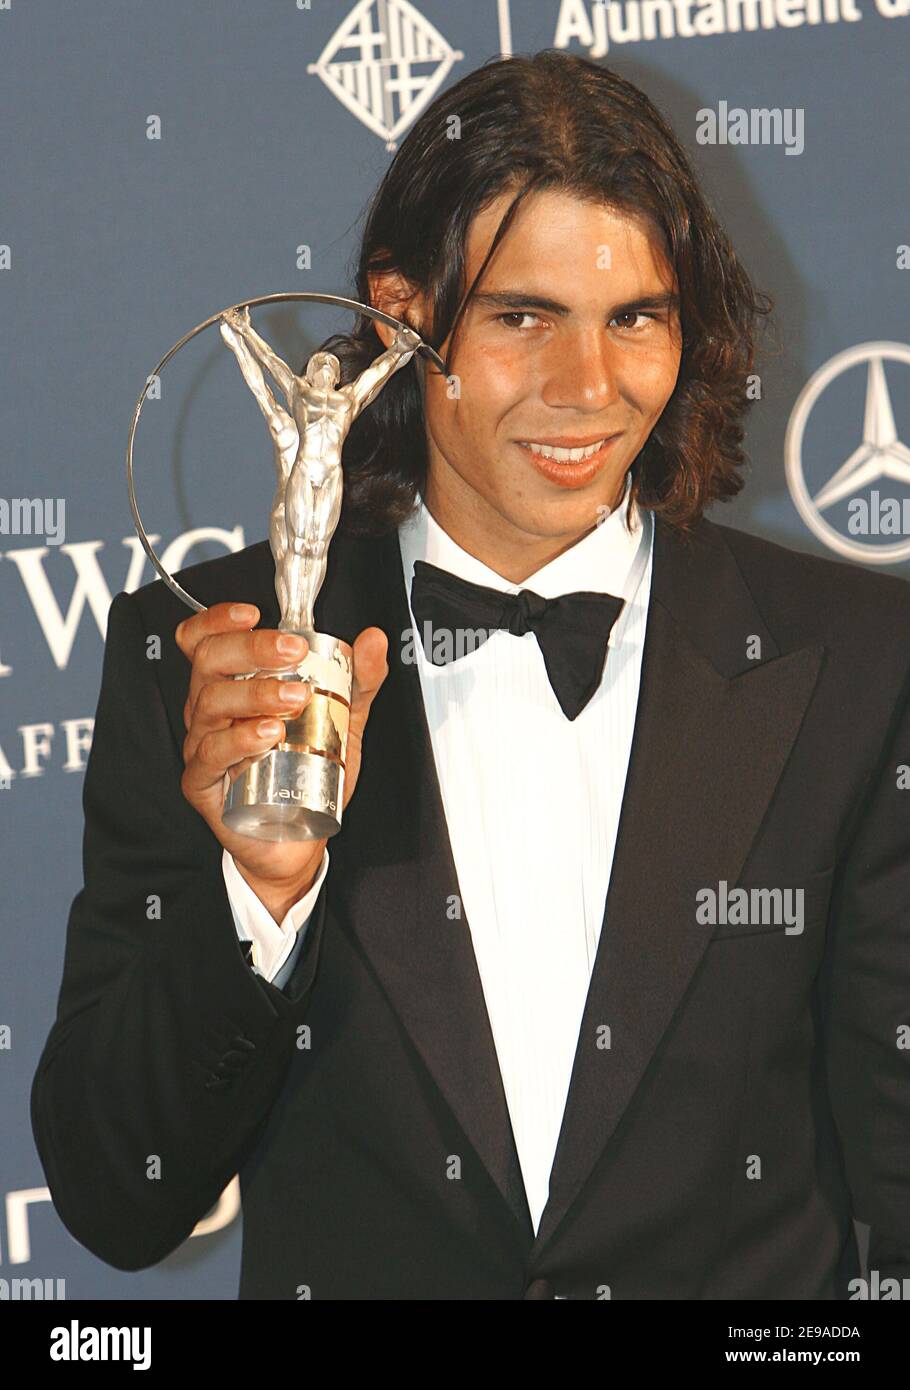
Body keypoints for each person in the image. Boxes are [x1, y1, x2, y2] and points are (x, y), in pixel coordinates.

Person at [31, 50, 910, 1300]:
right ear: (403, 311)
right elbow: (121, 1193)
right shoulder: (216, 658)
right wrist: (258, 895)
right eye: (522, 317)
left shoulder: (855, 663)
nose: (587, 390)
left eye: (635, 319)